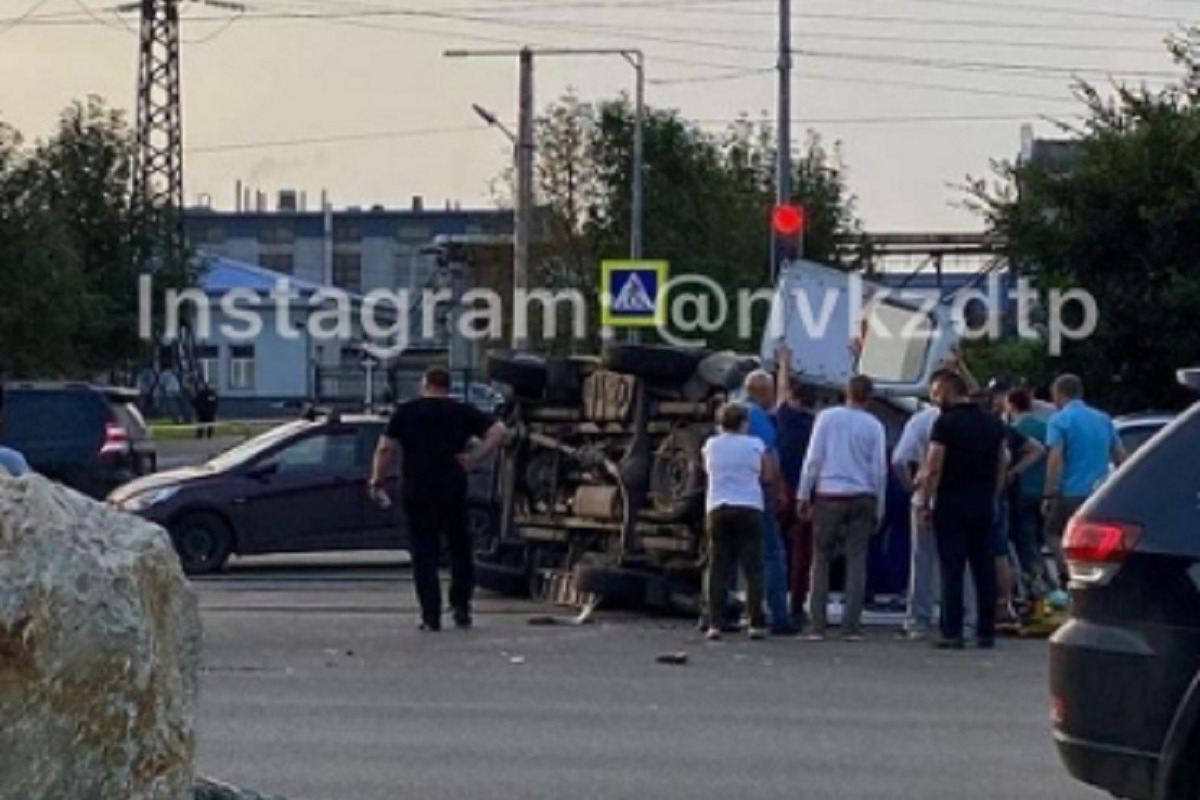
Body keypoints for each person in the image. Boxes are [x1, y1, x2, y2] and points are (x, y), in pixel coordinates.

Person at [369, 366, 507, 632]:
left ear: (425, 384)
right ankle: (461, 608)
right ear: (447, 386)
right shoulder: (461, 411)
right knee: (459, 549)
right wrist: (474, 457)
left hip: (417, 488)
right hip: (452, 486)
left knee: (424, 553)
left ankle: (430, 615)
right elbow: (499, 431)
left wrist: (377, 479)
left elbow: (385, 448)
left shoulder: (406, 412)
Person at [797, 374, 888, 642]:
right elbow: (879, 470)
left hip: (829, 493)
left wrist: (804, 493)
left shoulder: (826, 418)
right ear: (869, 398)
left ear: (846, 392)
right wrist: (879, 506)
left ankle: (817, 624)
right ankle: (851, 625)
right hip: (863, 494)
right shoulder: (875, 425)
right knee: (857, 559)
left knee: (821, 558)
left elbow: (813, 458)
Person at [921, 370, 1008, 650]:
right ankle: (985, 630)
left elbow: (934, 465)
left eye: (936, 392)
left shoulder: (945, 424)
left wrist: (925, 500)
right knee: (983, 568)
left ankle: (953, 630)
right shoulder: (993, 423)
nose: (934, 398)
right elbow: (1002, 462)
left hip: (951, 502)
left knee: (952, 568)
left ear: (948, 390)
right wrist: (993, 495)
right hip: (983, 501)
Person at [1041, 374, 1125, 585]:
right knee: (1096, 540)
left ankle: (1069, 575)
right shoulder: (1103, 418)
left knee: (1053, 533)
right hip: (1100, 492)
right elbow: (1120, 456)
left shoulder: (1059, 420)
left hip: (1071, 492)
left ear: (1059, 395)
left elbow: (1055, 459)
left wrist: (1049, 492)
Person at [701, 402, 773, 641]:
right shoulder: (755, 445)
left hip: (718, 506)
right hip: (750, 506)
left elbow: (706, 470)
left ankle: (715, 623)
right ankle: (755, 623)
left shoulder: (711, 445)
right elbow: (768, 474)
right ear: (744, 423)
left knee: (719, 567)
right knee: (753, 568)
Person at [743, 369, 798, 635]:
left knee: (729, 556)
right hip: (757, 491)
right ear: (762, 391)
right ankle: (778, 615)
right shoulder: (759, 418)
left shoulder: (735, 413)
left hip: (726, 495)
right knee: (773, 554)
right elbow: (769, 456)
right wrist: (779, 490)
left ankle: (716, 615)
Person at [891, 387, 943, 640]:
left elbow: (899, 459)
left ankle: (918, 620)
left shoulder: (921, 420)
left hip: (926, 495)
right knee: (960, 562)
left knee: (921, 559)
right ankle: (964, 618)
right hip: (962, 496)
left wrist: (911, 487)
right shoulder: (977, 419)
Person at [773, 348, 817, 627]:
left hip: (781, 489)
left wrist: (784, 363)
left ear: (793, 399)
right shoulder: (816, 424)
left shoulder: (785, 417)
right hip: (807, 493)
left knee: (773, 550)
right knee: (804, 554)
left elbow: (781, 388)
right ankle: (797, 605)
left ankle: (774, 601)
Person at [1006, 387, 1049, 591]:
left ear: (1011, 405)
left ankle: (1033, 583)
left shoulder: (1014, 429)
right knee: (1040, 539)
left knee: (1025, 540)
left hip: (1022, 490)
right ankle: (1044, 579)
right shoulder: (1045, 427)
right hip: (1043, 489)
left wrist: (1013, 472)